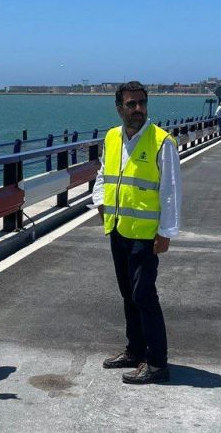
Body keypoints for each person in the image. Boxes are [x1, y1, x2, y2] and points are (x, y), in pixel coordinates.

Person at [92, 81, 182, 385]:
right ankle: (134, 350)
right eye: (131, 104)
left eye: (142, 103)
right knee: (127, 294)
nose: (138, 109)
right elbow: (103, 173)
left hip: (146, 234)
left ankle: (157, 363)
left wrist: (166, 231)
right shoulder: (112, 137)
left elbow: (170, 191)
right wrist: (100, 202)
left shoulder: (161, 141)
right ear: (119, 108)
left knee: (144, 294)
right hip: (118, 229)